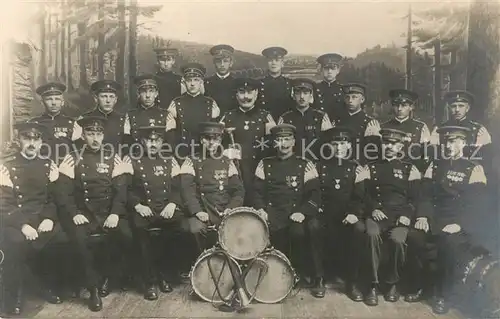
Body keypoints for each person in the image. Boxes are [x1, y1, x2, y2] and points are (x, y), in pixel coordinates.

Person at [58, 116, 133, 311]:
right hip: (83, 213)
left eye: (98, 134)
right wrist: (74, 213)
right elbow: (62, 192)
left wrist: (116, 213)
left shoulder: (112, 156)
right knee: (81, 242)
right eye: (90, 134)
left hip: (108, 212)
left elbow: (121, 190)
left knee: (128, 235)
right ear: (83, 135)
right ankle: (93, 290)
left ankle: (110, 276)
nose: (95, 138)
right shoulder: (71, 157)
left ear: (103, 135)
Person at [417, 126, 488, 314]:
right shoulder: (435, 165)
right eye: (447, 141)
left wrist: (459, 224)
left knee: (449, 243)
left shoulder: (473, 169)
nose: (450, 145)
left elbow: (476, 205)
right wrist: (423, 215)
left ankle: (444, 295)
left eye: (455, 141)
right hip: (435, 217)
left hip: (459, 223)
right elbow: (425, 195)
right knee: (415, 236)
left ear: (464, 143)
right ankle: (421, 286)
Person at [0, 122, 66, 315]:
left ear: (41, 143)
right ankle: (15, 296)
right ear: (19, 140)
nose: (31, 143)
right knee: (15, 243)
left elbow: (55, 198)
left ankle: (47, 287)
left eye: (35, 139)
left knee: (59, 238)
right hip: (16, 220)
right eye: (26, 138)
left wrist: (49, 218)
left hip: (42, 218)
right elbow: (4, 203)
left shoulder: (49, 165)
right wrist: (23, 225)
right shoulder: (6, 167)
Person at [253, 124, 325, 298]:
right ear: (274, 142)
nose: (283, 144)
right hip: (272, 213)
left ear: (293, 141)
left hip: (296, 215)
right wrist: (261, 209)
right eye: (279, 140)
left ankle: (308, 276)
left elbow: (315, 195)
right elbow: (256, 192)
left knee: (299, 234)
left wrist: (303, 212)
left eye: (286, 139)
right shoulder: (265, 164)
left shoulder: (305, 164)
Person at [361, 128, 422, 306]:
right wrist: (373, 209)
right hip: (377, 214)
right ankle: (373, 284)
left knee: (398, 239)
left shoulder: (410, 168)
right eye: (386, 142)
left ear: (401, 145)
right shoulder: (369, 167)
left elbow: (415, 198)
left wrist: (406, 215)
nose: (389, 146)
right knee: (371, 235)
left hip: (399, 217)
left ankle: (392, 283)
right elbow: (363, 193)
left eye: (394, 143)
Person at [125, 126, 186, 300]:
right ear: (142, 142)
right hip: (144, 209)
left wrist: (173, 203)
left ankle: (164, 275)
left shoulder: (170, 160)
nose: (153, 144)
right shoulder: (132, 160)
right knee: (141, 234)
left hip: (165, 208)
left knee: (178, 228)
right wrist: (138, 205)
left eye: (157, 140)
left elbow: (177, 186)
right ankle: (150, 281)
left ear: (162, 142)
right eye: (149, 140)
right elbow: (126, 189)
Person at [317, 127, 367, 302]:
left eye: (343, 143)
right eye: (335, 143)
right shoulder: (320, 166)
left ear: (349, 146)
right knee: (315, 226)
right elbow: (315, 193)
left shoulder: (357, 168)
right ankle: (319, 278)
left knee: (358, 230)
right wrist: (319, 209)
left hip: (348, 215)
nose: (339, 147)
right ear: (329, 146)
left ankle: (351, 283)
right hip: (325, 212)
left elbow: (360, 197)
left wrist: (354, 213)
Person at [179, 122, 244, 253]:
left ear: (220, 140)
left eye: (215, 139)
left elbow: (238, 190)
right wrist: (197, 211)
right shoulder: (191, 161)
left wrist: (230, 209)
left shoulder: (227, 161)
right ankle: (200, 264)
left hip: (224, 211)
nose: (211, 143)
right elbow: (187, 190)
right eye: (207, 138)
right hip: (202, 212)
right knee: (195, 229)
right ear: (201, 140)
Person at [220, 77, 276, 205]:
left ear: (256, 94)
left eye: (250, 92)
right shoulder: (227, 117)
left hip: (258, 170)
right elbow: (216, 144)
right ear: (236, 94)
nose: (246, 97)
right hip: (234, 171)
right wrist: (226, 152)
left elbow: (273, 147)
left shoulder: (265, 117)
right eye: (242, 92)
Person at [166, 63, 220, 160]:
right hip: (181, 152)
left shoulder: (210, 103)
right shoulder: (176, 103)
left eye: (196, 80)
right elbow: (171, 133)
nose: (192, 84)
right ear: (184, 82)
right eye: (188, 80)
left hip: (204, 153)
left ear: (201, 82)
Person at [278, 78, 333, 161]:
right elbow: (279, 145)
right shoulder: (285, 118)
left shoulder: (321, 117)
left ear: (311, 95)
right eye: (298, 93)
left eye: (305, 93)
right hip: (292, 164)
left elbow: (329, 144)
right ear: (293, 96)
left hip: (316, 162)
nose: (302, 97)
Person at [29, 82, 80, 164]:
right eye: (49, 99)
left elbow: (78, 150)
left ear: (62, 102)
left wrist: (76, 140)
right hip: (41, 166)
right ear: (42, 103)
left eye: (57, 99)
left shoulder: (72, 123)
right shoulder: (34, 123)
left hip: (66, 166)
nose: (53, 103)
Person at [381, 89, 431, 172]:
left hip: (412, 172)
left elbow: (425, 155)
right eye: (396, 105)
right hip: (387, 171)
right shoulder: (382, 127)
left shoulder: (420, 127)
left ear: (411, 107)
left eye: (404, 105)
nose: (399, 109)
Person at [76, 80, 129, 152]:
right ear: (96, 99)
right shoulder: (85, 118)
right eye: (104, 96)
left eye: (111, 97)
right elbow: (78, 144)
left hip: (116, 160)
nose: (108, 100)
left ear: (116, 99)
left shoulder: (123, 119)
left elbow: (127, 145)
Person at [335, 83, 380, 163]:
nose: (350, 101)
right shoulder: (337, 121)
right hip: (339, 164)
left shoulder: (370, 123)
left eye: (354, 97)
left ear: (362, 100)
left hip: (360, 165)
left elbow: (373, 151)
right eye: (347, 97)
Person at [126, 74, 169, 146]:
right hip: (137, 155)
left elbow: (169, 142)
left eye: (151, 91)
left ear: (156, 94)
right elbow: (126, 141)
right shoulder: (130, 116)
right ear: (138, 94)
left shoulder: (165, 115)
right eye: (144, 91)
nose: (148, 95)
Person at [257, 46, 294, 120]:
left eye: (277, 60)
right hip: (263, 122)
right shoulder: (258, 84)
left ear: (282, 63)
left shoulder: (290, 84)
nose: (273, 63)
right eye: (270, 60)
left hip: (285, 123)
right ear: (267, 63)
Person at [205, 44, 237, 117]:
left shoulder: (236, 83)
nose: (222, 65)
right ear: (214, 63)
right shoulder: (206, 83)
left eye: (225, 61)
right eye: (219, 61)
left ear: (231, 63)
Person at [313, 53, 345, 122]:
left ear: (338, 70)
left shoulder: (344, 90)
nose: (329, 71)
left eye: (333, 68)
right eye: (326, 68)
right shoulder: (314, 89)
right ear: (321, 70)